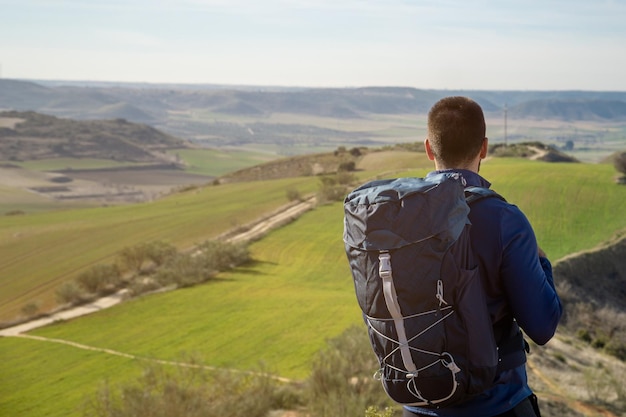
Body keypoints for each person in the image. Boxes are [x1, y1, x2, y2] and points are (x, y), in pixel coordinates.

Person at [403, 96, 563, 417]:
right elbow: (543, 326)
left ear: (429, 149)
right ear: (484, 148)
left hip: (417, 403)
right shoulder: (504, 219)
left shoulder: (399, 216)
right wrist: (541, 260)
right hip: (496, 403)